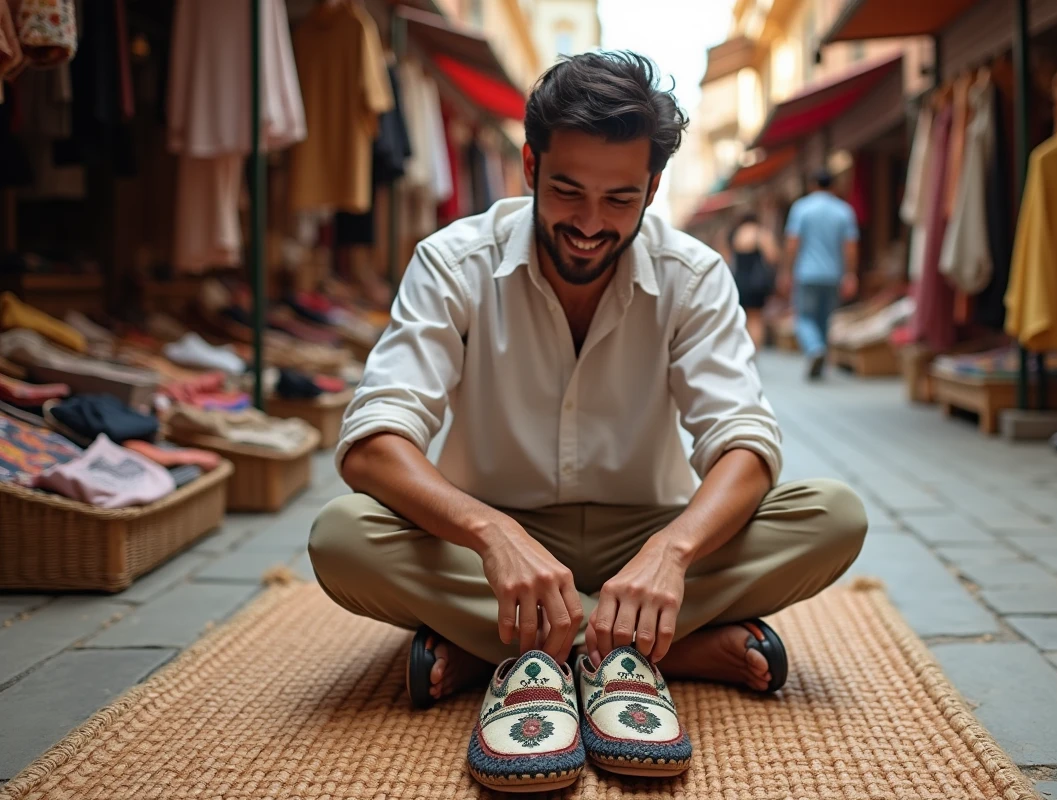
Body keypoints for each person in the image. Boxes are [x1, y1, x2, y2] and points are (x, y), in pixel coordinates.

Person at [308, 51, 867, 791]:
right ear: (530, 166)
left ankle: (504, 651)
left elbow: (744, 441)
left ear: (653, 189)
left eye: (620, 200)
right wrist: (490, 533)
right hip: (489, 551)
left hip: (647, 536)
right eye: (567, 191)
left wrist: (672, 552)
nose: (590, 225)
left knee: (833, 516)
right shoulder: (452, 262)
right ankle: (661, 650)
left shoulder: (694, 275)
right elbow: (373, 441)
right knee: (342, 537)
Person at [779, 169, 860, 379]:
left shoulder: (802, 208)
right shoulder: (844, 211)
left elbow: (792, 243)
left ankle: (815, 349)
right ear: (833, 186)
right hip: (833, 275)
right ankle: (820, 358)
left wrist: (786, 271)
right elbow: (850, 247)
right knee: (825, 320)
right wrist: (850, 274)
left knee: (804, 317)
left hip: (806, 273)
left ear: (812, 185)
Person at [725, 213, 779, 349]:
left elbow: (727, 258)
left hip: (739, 281)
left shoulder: (736, 234)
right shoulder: (760, 233)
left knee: (741, 316)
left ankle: (742, 348)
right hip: (756, 283)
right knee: (755, 319)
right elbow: (772, 256)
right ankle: (754, 350)